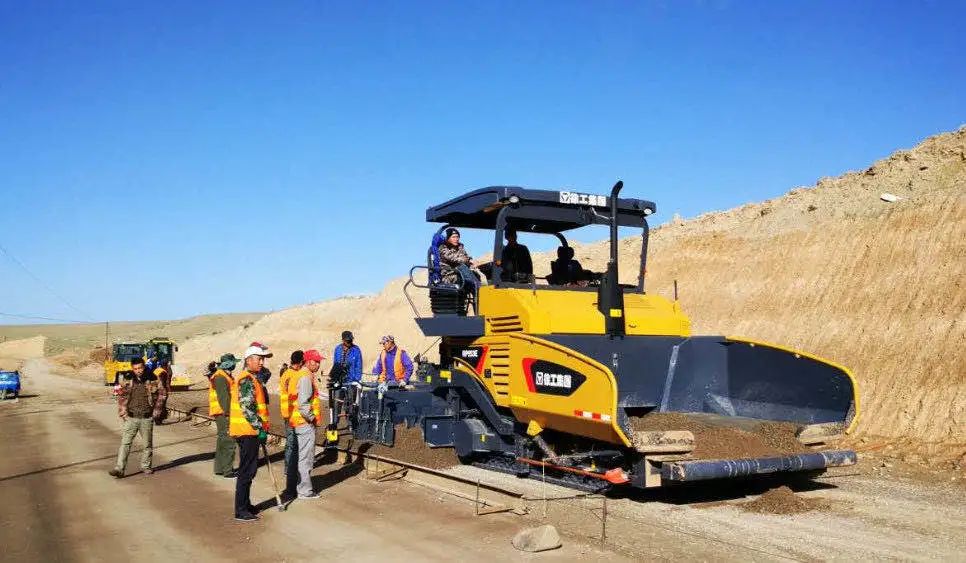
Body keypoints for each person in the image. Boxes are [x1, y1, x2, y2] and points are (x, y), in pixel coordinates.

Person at [229, 344, 272, 522]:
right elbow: (247, 408)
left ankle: (246, 504)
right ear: (249, 360)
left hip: (249, 431)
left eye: (263, 359)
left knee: (250, 469)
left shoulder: (252, 378)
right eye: (259, 359)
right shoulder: (246, 379)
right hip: (247, 431)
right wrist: (259, 427)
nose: (262, 362)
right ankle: (240, 509)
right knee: (247, 471)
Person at [109, 357, 167, 478]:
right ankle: (119, 468)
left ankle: (146, 466)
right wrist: (122, 412)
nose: (138, 370)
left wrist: (157, 411)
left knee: (147, 445)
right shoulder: (128, 379)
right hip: (131, 417)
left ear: (144, 366)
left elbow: (162, 394)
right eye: (135, 368)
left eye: (140, 368)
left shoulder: (153, 379)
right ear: (132, 368)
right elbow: (122, 396)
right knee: (125, 444)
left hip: (146, 418)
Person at [287, 349, 324, 499]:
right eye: (317, 362)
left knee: (300, 457)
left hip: (298, 421)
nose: (319, 365)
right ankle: (305, 491)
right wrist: (312, 418)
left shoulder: (300, 374)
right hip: (305, 422)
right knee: (306, 458)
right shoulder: (305, 377)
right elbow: (303, 404)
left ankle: (296, 488)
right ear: (308, 362)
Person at [279, 350, 304, 498]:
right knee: (292, 442)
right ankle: (290, 469)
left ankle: (289, 468)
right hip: (291, 413)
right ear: (300, 362)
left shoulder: (286, 373)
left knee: (291, 442)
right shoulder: (292, 375)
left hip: (287, 412)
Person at [209, 353, 239, 478]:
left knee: (222, 440)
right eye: (233, 363)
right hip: (223, 413)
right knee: (228, 440)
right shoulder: (221, 377)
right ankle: (227, 470)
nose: (235, 365)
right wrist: (229, 413)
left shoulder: (224, 375)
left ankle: (220, 468)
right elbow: (224, 398)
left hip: (221, 412)